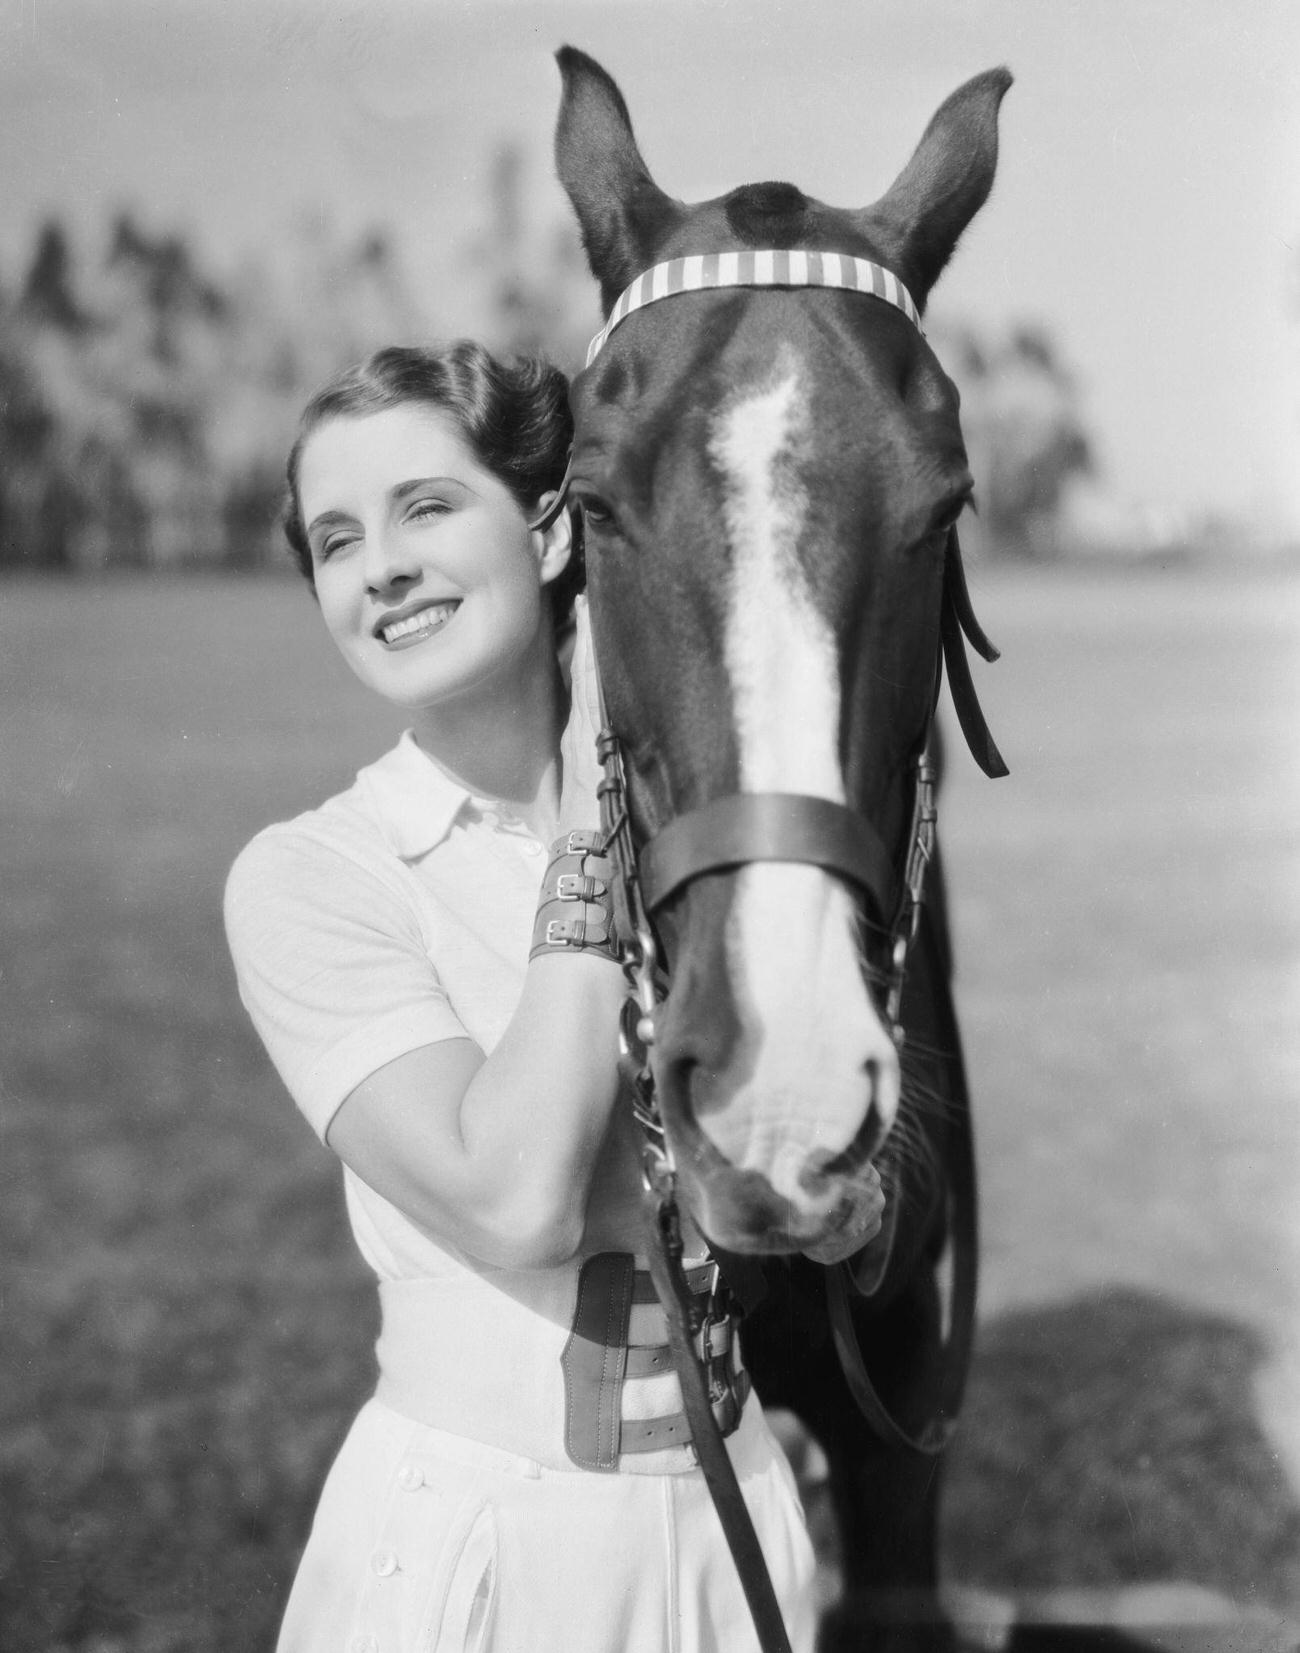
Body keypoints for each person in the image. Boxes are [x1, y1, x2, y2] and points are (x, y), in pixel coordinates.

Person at [223, 341, 822, 1653]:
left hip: (738, 1531)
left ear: (551, 534)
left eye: (424, 507)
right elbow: (516, 1193)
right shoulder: (314, 876)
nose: (377, 566)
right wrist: (599, 794)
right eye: (334, 540)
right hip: (484, 1557)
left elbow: (818, 1178)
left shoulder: (711, 848)